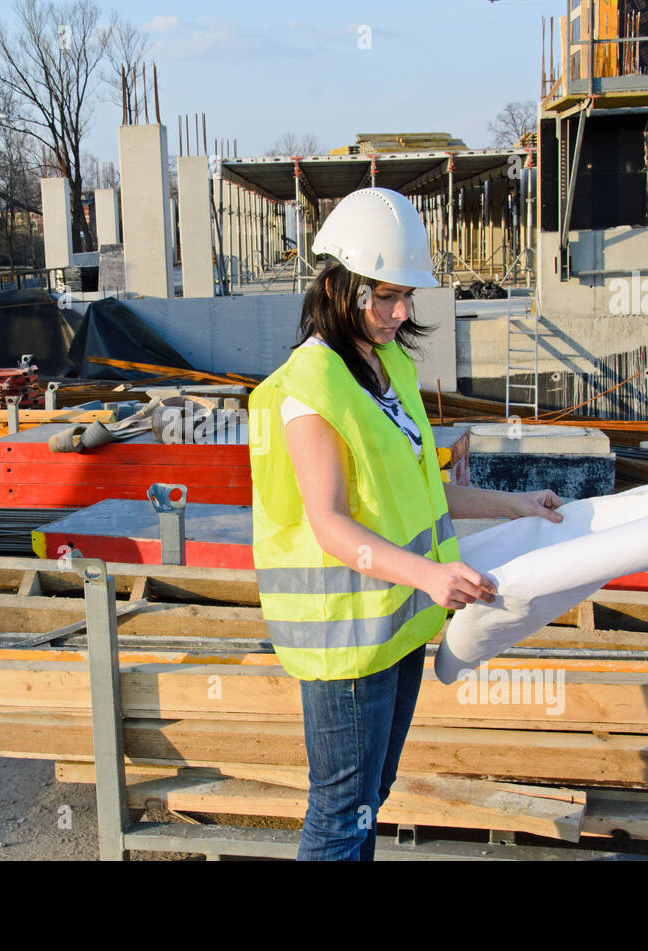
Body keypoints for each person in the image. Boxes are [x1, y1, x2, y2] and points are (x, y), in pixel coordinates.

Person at [249, 187, 564, 861]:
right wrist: (430, 573)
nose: (401, 312)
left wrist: (515, 504)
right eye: (386, 295)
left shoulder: (386, 365)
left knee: (371, 796)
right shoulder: (311, 386)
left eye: (407, 297)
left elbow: (422, 493)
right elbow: (330, 525)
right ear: (339, 285)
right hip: (346, 636)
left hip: (396, 623)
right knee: (340, 812)